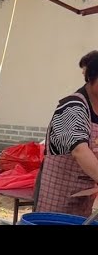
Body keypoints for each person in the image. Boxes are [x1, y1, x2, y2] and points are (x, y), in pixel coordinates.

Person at [34, 55, 98, 217]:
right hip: (57, 195)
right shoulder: (72, 107)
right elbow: (79, 151)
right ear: (91, 77)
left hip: (84, 196)